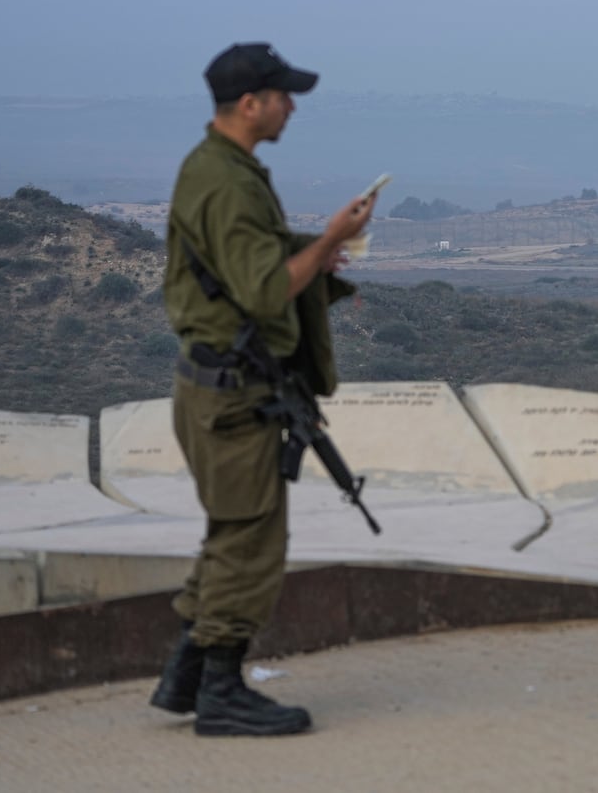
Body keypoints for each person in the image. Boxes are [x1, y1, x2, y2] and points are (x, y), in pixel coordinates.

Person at [149, 42, 375, 736]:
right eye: (283, 95)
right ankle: (220, 691)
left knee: (233, 532)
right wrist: (331, 235)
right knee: (251, 542)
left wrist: (318, 252)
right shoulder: (225, 180)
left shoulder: (224, 169)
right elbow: (265, 287)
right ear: (251, 103)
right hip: (232, 394)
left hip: (224, 386)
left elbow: (252, 262)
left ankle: (188, 674)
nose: (292, 106)